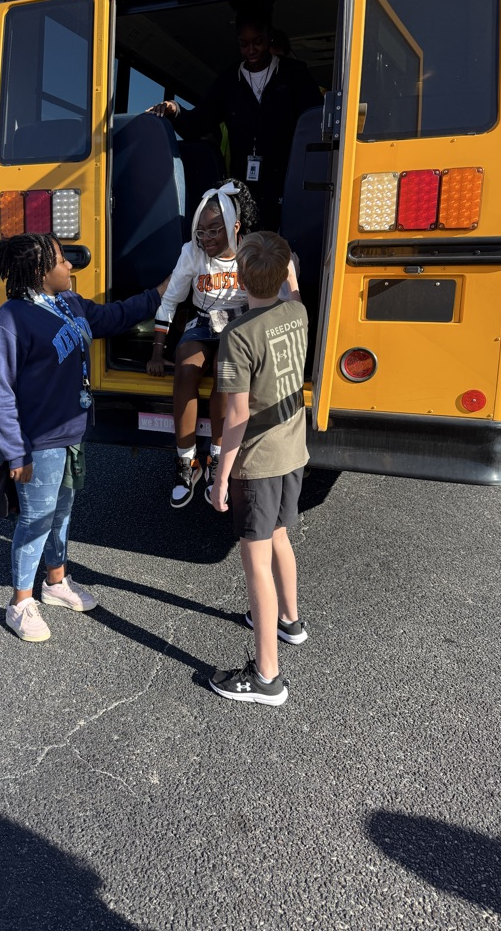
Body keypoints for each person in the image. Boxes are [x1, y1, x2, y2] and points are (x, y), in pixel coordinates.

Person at [0, 233, 169, 643]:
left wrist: (162, 291)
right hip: (39, 440)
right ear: (39, 271)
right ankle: (19, 603)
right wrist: (16, 453)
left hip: (71, 433)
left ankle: (55, 583)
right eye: (63, 261)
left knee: (62, 512)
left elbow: (117, 316)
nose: (71, 267)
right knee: (35, 519)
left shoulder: (69, 304)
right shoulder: (10, 319)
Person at [208, 230, 309, 706]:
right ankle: (290, 621)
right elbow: (290, 282)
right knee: (281, 537)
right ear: (285, 271)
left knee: (255, 567)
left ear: (239, 277)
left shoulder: (238, 335)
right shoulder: (298, 311)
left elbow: (237, 416)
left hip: (259, 463)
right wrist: (284, 264)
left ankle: (267, 677)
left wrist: (221, 475)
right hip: (293, 454)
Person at [146, 7, 323, 231]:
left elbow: (315, 124)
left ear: (269, 36)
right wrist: (175, 110)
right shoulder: (228, 82)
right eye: (243, 43)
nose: (251, 50)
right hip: (244, 187)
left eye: (257, 41)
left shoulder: (294, 75)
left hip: (288, 183)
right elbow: (197, 125)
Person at [147, 180, 257, 508]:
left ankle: (217, 460)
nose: (206, 239)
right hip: (202, 322)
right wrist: (156, 350)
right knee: (185, 367)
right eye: (201, 232)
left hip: (237, 324)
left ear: (234, 227)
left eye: (214, 231)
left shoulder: (251, 252)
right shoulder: (191, 253)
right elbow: (169, 301)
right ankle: (187, 462)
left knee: (227, 373)